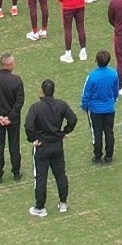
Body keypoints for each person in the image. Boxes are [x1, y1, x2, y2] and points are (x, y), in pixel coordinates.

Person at [25, 78, 79, 216]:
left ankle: (40, 207)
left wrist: (33, 139)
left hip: (42, 147)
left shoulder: (36, 107)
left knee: (41, 177)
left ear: (42, 91)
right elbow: (73, 119)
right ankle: (63, 203)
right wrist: (64, 132)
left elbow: (28, 125)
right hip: (57, 145)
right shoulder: (61, 105)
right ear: (54, 91)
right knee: (60, 175)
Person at [0, 53, 25, 183]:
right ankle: (16, 172)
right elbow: (19, 102)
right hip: (13, 120)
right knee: (14, 145)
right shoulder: (17, 80)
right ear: (9, 65)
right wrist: (10, 117)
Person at [81, 50, 121, 163]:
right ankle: (109, 156)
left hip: (95, 110)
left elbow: (86, 93)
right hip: (109, 108)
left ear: (96, 61)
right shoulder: (113, 74)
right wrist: (113, 100)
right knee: (109, 131)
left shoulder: (92, 76)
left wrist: (84, 105)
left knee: (96, 132)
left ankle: (97, 156)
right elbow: (115, 91)